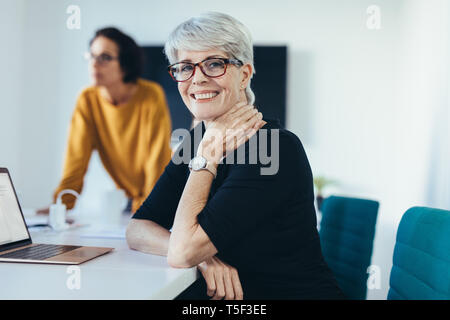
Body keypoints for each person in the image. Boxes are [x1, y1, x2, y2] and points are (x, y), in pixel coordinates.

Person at [126, 12, 344, 300]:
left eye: (214, 64)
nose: (198, 79)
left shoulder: (273, 149)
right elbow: (137, 229)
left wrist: (206, 158)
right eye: (185, 67)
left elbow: (182, 252)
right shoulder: (199, 140)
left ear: (244, 74)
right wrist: (204, 258)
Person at [37, 27, 172, 214]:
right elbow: (76, 158)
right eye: (91, 56)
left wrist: (149, 209)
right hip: (134, 201)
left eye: (105, 58)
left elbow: (156, 159)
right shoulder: (87, 99)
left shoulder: (151, 95)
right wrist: (60, 207)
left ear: (125, 64)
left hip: (161, 196)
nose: (94, 64)